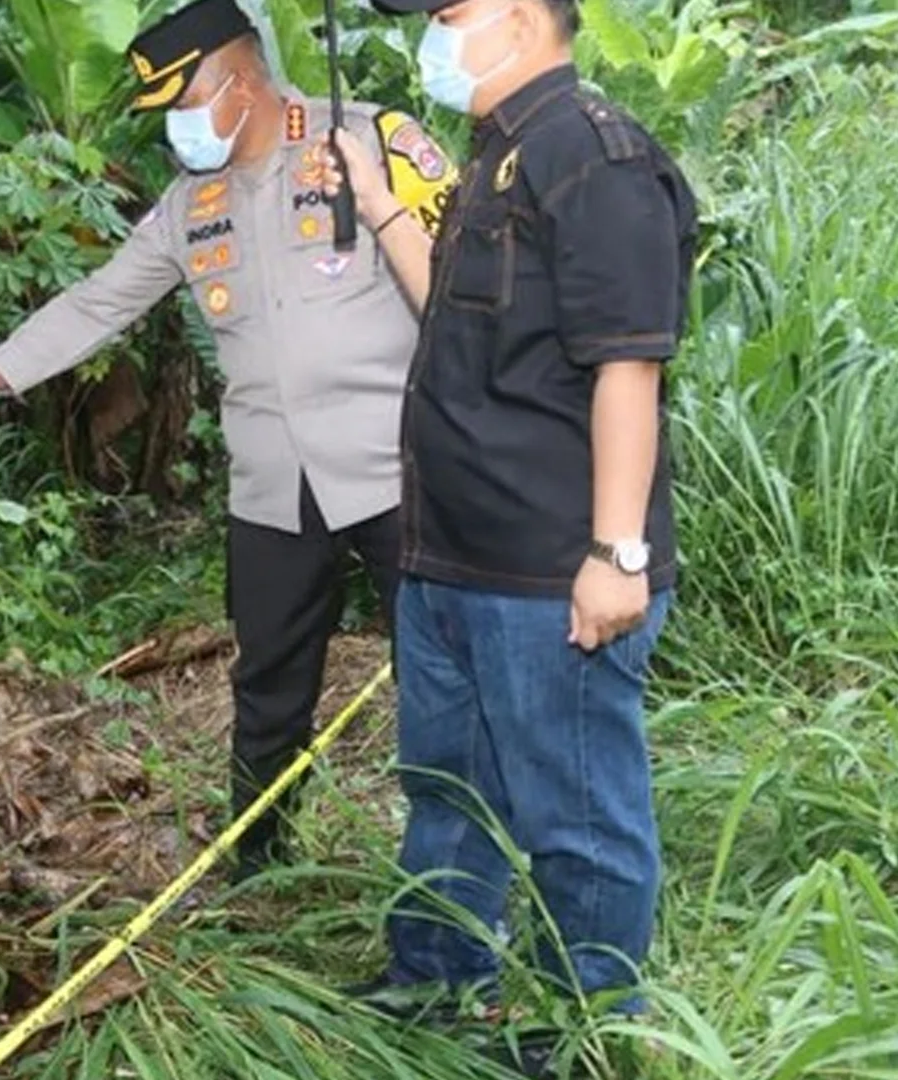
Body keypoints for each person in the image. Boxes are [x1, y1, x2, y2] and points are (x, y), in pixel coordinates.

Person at [0, 0, 460, 883]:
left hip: (401, 472)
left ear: (240, 81)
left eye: (185, 104)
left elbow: (465, 288)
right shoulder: (189, 206)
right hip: (274, 488)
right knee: (268, 687)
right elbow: (95, 304)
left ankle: (456, 882)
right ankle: (257, 864)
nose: (178, 130)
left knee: (443, 681)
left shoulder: (370, 142)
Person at [320, 0, 699, 1041]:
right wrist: (384, 203)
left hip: (548, 571)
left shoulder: (594, 156)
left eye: (450, 11)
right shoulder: (500, 156)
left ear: (525, 18)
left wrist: (615, 553)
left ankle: (583, 1026)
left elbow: (630, 362)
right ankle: (439, 975)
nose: (435, 32)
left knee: (575, 816)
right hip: (449, 557)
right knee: (447, 789)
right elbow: (456, 302)